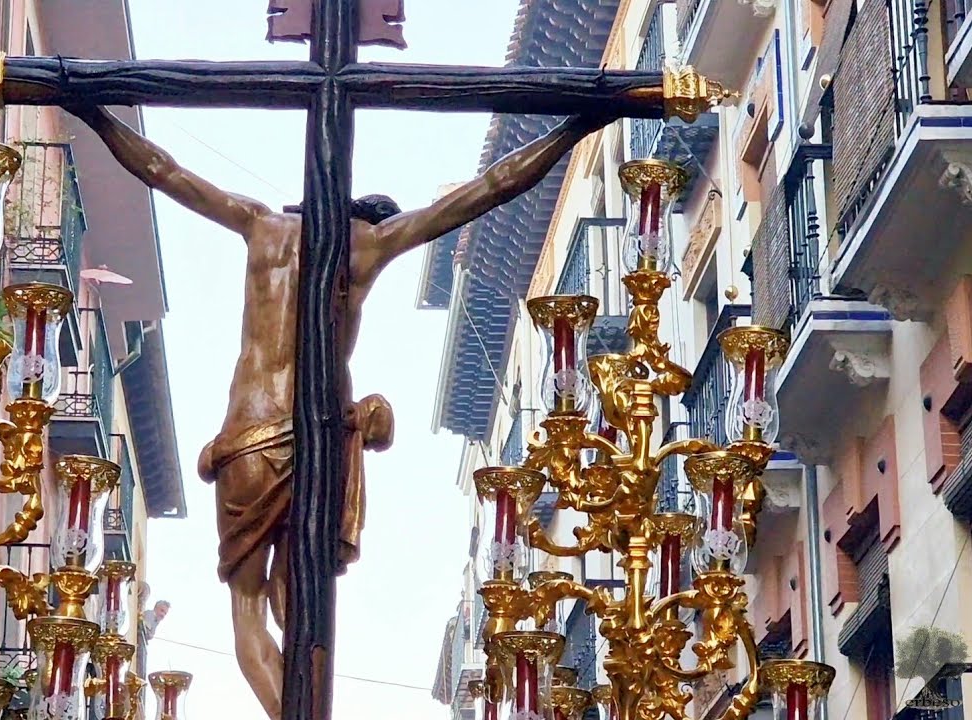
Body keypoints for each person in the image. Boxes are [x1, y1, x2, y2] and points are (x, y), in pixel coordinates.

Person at [65, 104, 614, 719]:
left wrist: (90, 110)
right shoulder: (371, 244)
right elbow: (490, 188)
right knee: (309, 612)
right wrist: (575, 127)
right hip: (319, 438)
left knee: (248, 619)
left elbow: (163, 169)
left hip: (245, 435)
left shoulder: (259, 225)